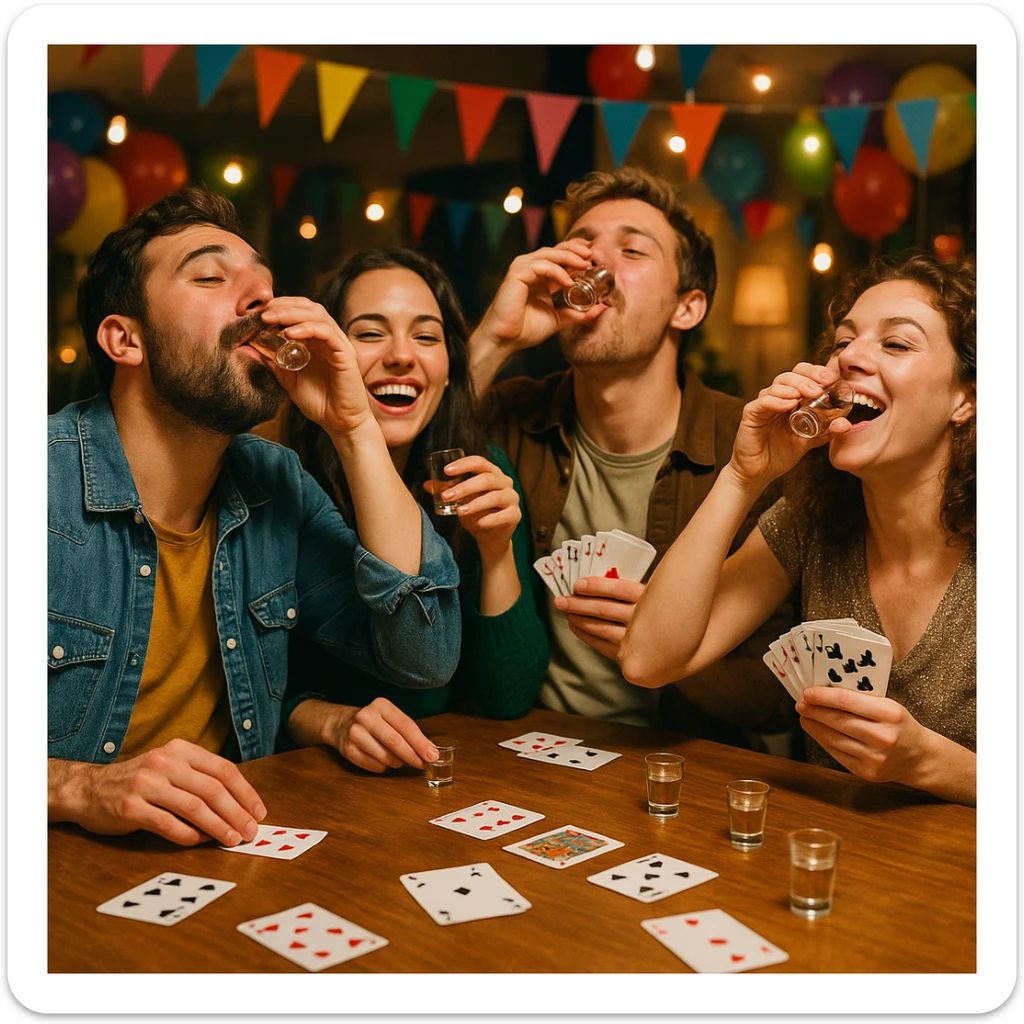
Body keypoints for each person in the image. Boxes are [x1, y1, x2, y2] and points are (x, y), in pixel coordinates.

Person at [47, 188, 463, 848]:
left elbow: (421, 654)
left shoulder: (274, 482)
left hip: (229, 859)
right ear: (125, 338)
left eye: (263, 285)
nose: (259, 301)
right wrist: (79, 787)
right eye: (211, 277)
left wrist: (355, 429)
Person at [619, 252, 976, 805]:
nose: (851, 357)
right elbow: (648, 659)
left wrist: (927, 762)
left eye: (897, 343)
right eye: (843, 341)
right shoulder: (808, 523)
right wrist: (743, 476)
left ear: (966, 399)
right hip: (824, 860)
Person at [467, 166, 791, 739]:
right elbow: (409, 471)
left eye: (632, 250)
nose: (597, 265)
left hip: (685, 771)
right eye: (582, 246)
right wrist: (497, 338)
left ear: (686, 308)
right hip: (529, 751)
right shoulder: (514, 416)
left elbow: (777, 694)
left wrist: (670, 644)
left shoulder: (752, 449)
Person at [276, 246, 549, 772]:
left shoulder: (480, 469)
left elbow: (506, 698)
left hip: (439, 770)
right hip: (302, 778)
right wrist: (330, 721)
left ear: (449, 370)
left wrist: (495, 551)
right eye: (370, 333)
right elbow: (247, 693)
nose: (402, 355)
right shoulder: (279, 475)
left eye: (426, 336)